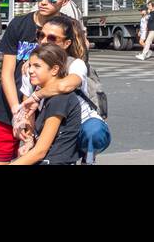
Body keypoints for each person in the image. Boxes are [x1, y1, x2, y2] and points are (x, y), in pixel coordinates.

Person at [0, 0, 76, 163]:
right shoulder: (18, 24)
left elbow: (74, 70)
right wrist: (16, 110)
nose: (44, 2)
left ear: (64, 1)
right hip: (8, 108)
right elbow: (7, 73)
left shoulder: (70, 29)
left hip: (46, 113)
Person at [17, 14, 110, 162]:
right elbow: (28, 111)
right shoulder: (30, 69)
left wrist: (36, 96)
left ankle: (88, 158)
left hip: (83, 127)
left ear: (66, 43)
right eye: (41, 35)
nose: (44, 41)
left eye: (52, 38)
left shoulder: (75, 64)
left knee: (93, 133)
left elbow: (66, 85)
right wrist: (28, 139)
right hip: (53, 125)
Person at [9, 44, 83, 166]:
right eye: (30, 65)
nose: (30, 70)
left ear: (54, 69)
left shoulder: (59, 99)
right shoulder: (45, 95)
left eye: (37, 66)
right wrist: (29, 141)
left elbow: (41, 151)